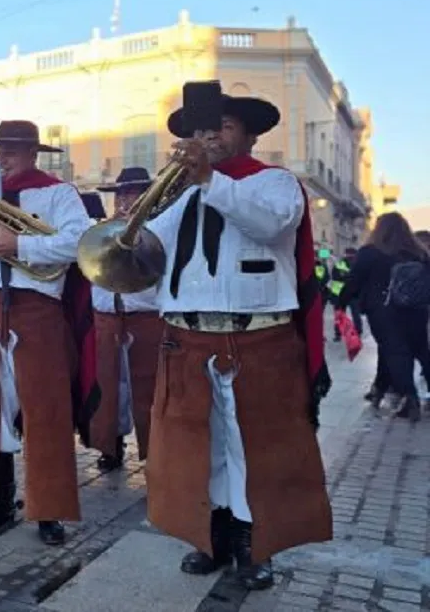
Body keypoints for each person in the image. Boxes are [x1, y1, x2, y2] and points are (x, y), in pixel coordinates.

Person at [145, 90, 332, 590]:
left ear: (249, 135)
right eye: (201, 131)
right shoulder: (181, 193)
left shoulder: (275, 183)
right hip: (188, 337)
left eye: (222, 127)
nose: (207, 137)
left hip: (258, 338)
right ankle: (212, 537)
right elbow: (147, 249)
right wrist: (126, 229)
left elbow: (269, 225)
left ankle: (255, 544)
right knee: (198, 446)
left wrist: (210, 180)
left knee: (255, 446)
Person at [0, 120, 95, 546]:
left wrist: (21, 245)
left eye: (11, 150)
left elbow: (80, 241)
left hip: (38, 309)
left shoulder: (57, 193)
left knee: (46, 414)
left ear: (33, 153)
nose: (3, 158)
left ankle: (49, 510)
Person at [88, 168, 164, 471]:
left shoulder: (156, 231)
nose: (124, 199)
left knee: (148, 388)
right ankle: (110, 446)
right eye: (121, 193)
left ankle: (154, 451)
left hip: (144, 315)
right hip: (107, 315)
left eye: (132, 193)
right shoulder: (100, 233)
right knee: (107, 386)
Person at [338, 212, 429, 420]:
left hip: (384, 311)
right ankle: (380, 388)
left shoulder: (370, 252)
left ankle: (410, 397)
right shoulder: (418, 253)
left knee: (396, 352)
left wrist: (341, 303)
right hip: (417, 310)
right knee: (419, 349)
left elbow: (354, 281)